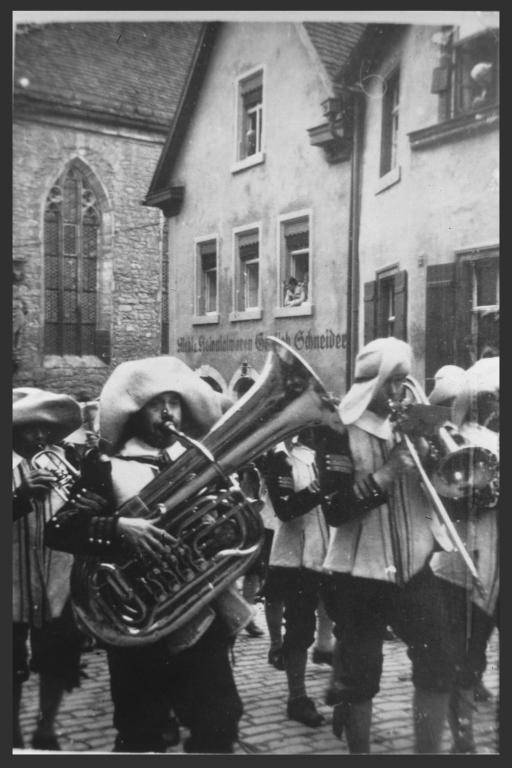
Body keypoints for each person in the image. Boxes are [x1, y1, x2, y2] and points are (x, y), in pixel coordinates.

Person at [45, 356, 249, 753]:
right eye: (157, 405)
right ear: (133, 411)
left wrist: (225, 526)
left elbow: (220, 530)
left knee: (219, 722)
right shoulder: (105, 466)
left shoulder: (194, 460)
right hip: (138, 628)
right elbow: (61, 528)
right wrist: (120, 528)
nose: (168, 413)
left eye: (173, 402)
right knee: (141, 733)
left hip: (199, 616)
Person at [316, 337, 456, 753]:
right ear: (370, 383)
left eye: (404, 381)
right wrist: (390, 471)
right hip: (359, 571)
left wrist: (437, 459)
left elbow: (444, 496)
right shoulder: (338, 430)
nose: (399, 392)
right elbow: (336, 510)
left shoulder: (413, 426)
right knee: (362, 673)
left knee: (439, 661)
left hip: (414, 566)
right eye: (391, 382)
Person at [428, 357, 499, 753]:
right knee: (467, 659)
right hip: (470, 563)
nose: (496, 407)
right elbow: (448, 502)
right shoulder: (461, 439)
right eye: (491, 400)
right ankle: (464, 740)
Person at [13, 387, 84, 750]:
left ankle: (46, 727)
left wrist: (87, 504)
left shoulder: (61, 460)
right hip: (10, 585)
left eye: (44, 428)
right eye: (29, 428)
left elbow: (77, 520)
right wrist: (18, 497)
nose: (40, 436)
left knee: (57, 661)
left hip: (57, 581)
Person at [262, 428, 331, 727]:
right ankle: (297, 697)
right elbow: (286, 509)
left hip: (333, 552)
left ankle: (338, 680)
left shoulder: (328, 456)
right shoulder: (281, 459)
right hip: (297, 557)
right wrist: (323, 486)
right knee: (300, 629)